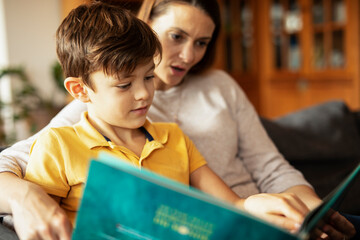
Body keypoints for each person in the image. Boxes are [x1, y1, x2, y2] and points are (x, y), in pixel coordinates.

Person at [0, 0, 356, 239]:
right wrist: (24, 198)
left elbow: (247, 190)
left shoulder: (179, 131)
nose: (143, 94)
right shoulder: (72, 129)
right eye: (176, 37)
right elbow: (29, 197)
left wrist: (291, 202)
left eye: (202, 43)